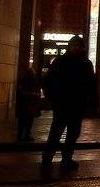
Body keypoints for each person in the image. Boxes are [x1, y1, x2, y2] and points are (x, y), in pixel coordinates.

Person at [41, 36, 96, 173]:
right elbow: (48, 81)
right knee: (57, 132)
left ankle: (64, 159)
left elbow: (91, 85)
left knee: (71, 133)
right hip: (64, 103)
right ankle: (49, 158)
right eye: (74, 45)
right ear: (70, 47)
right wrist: (52, 97)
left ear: (82, 47)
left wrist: (92, 101)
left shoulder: (84, 63)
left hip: (75, 104)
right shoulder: (62, 62)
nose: (76, 48)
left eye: (78, 46)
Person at [14, 67, 42, 142]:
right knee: (24, 120)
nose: (33, 75)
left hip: (29, 104)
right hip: (26, 103)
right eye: (32, 74)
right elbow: (21, 92)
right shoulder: (23, 81)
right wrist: (32, 94)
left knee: (28, 120)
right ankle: (21, 135)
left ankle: (25, 135)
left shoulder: (32, 81)